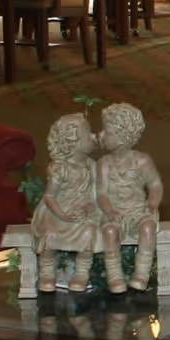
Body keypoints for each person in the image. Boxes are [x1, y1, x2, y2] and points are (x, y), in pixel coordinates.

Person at [30, 113, 106, 294]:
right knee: (48, 235)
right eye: (88, 134)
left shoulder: (91, 165)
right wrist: (62, 214)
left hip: (81, 212)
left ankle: (81, 274)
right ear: (74, 142)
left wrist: (91, 205)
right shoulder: (59, 168)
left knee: (89, 232)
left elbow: (97, 192)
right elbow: (49, 196)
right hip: (56, 211)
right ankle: (47, 273)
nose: (94, 136)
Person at [96, 102, 164, 292]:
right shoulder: (104, 163)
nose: (101, 135)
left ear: (121, 137)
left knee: (149, 227)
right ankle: (115, 277)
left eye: (106, 132)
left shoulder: (142, 160)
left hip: (137, 211)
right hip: (115, 212)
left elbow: (155, 185)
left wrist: (152, 204)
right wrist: (108, 210)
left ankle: (141, 275)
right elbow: (101, 192)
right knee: (110, 232)